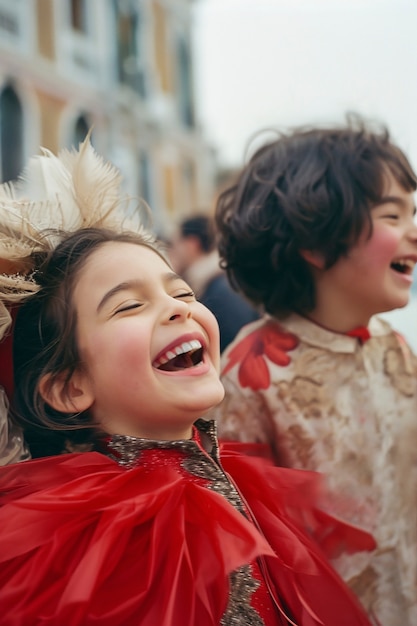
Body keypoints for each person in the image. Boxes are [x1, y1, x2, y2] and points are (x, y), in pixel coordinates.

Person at [0, 143, 376, 625]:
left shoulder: (248, 484)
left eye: (181, 291)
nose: (179, 307)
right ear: (69, 388)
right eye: (128, 306)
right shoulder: (92, 541)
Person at [213, 116, 417, 625]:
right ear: (318, 243)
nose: (413, 230)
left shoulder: (395, 348)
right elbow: (242, 551)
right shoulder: (249, 373)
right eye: (393, 215)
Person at [169, 214, 259, 352]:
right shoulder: (217, 281)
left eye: (174, 245)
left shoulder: (220, 290)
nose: (172, 252)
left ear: (192, 244)